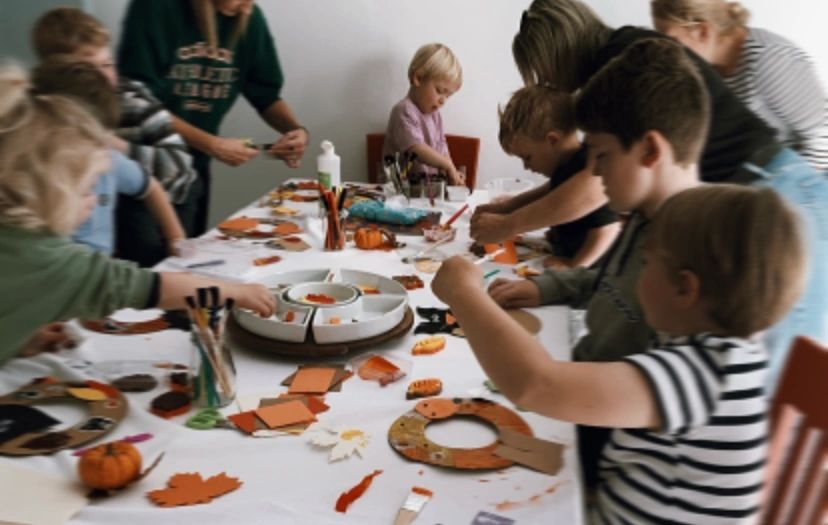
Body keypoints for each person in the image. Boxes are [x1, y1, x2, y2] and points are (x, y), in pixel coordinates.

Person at [434, 182, 805, 523]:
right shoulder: (731, 355)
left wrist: (464, 293)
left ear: (684, 289)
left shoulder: (703, 376)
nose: (634, 275)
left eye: (647, 263)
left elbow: (537, 385)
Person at [503, 0, 827, 389]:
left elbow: (588, 188)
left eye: (602, 155)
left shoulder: (621, 68)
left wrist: (508, 224)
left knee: (764, 378)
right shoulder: (650, 207)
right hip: (762, 187)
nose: (551, 87)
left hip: (782, 195)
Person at [0, 66, 274, 363]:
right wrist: (235, 292)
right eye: (88, 189)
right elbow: (156, 289)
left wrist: (18, 338)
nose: (94, 200)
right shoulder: (57, 263)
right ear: (55, 193)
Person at [117, 0, 310, 236]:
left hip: (194, 169)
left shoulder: (250, 17)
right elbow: (137, 103)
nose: (246, 6)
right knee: (151, 255)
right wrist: (212, 144)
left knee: (188, 253)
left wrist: (295, 130)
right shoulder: (155, 8)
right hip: (145, 164)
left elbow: (266, 95)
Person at [32, 6, 199, 266]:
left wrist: (176, 239)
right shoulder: (34, 145)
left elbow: (172, 171)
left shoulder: (131, 106)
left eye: (107, 64)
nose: (102, 77)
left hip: (172, 196)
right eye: (87, 68)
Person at [651, 0, 828, 172]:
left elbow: (822, 137)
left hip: (798, 180)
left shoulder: (769, 59)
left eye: (672, 40)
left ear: (703, 31)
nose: (668, 50)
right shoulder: (707, 67)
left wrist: (791, 188)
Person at [471, 85, 619, 267]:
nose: (526, 166)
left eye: (527, 157)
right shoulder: (566, 168)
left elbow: (607, 230)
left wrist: (574, 268)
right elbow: (551, 193)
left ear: (552, 140)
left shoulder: (587, 164)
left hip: (588, 272)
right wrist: (505, 208)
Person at [382, 43, 466, 186]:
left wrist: (451, 171)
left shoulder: (435, 115)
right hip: (400, 190)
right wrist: (447, 165)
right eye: (439, 91)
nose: (443, 101)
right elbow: (416, 149)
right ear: (418, 78)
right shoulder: (403, 110)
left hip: (427, 190)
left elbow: (442, 147)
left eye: (448, 96)